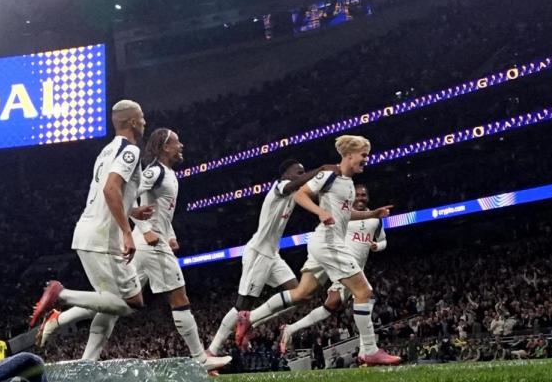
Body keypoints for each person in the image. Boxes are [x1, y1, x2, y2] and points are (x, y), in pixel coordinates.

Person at [236, 135, 400, 365]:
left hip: (324, 244)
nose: (366, 159)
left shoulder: (348, 184)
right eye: (363, 155)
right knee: (364, 292)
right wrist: (320, 212)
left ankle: (250, 317)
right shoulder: (330, 175)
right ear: (349, 155)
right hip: (328, 242)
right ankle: (369, 350)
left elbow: (346, 215)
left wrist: (372, 214)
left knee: (302, 293)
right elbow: (300, 194)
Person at [29, 100, 153, 361]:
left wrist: (132, 211)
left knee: (108, 304)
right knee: (132, 303)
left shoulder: (106, 151)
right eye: (141, 117)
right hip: (104, 237)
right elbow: (110, 189)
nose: (144, 121)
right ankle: (61, 295)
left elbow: (106, 194)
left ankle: (87, 364)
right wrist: (127, 232)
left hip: (88, 231)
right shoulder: (130, 150)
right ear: (132, 121)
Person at [130, 129, 230, 370]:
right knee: (179, 297)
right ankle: (201, 359)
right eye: (177, 142)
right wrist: (146, 229)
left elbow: (162, 212)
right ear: (165, 147)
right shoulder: (154, 171)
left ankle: (62, 312)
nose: (181, 145)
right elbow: (127, 196)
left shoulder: (169, 173)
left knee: (120, 302)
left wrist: (171, 235)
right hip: (151, 244)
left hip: (149, 242)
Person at [207, 159, 329, 355]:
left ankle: (252, 321)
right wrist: (320, 168)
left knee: (299, 294)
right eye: (298, 172)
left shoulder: (295, 194)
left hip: (272, 254)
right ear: (286, 173)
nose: (301, 175)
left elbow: (310, 191)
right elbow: (293, 185)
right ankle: (212, 350)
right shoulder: (279, 187)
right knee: (242, 305)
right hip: (258, 252)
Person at [278, 184, 387, 354]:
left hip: (357, 269)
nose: (360, 198)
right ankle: (366, 350)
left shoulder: (375, 219)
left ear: (368, 197)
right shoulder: (344, 215)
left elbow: (383, 241)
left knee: (333, 304)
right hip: (342, 265)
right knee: (367, 297)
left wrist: (376, 246)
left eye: (363, 195)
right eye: (357, 195)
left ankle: (291, 328)